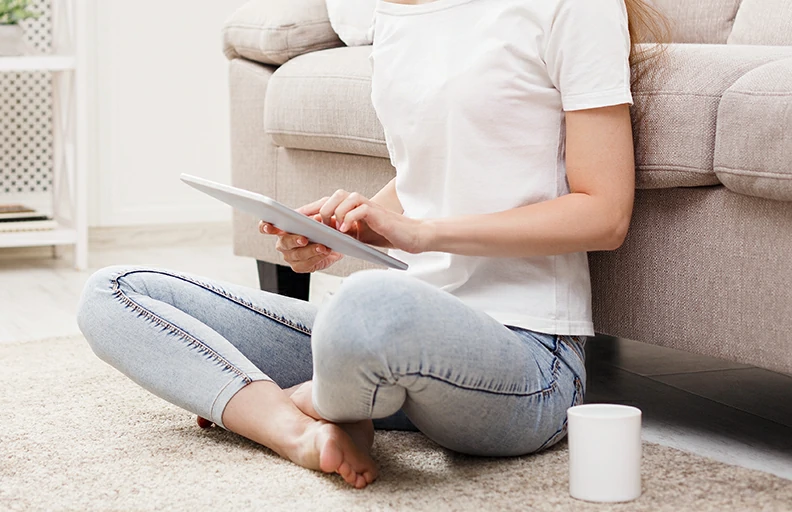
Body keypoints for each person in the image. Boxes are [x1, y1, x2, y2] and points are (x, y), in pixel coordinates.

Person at [78, 0, 668, 490]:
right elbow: (428, 178)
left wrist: (426, 235)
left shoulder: (573, 6)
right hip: (385, 337)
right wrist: (350, 228)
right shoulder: (399, 16)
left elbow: (604, 212)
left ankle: (308, 398)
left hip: (526, 359)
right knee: (115, 294)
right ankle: (300, 428)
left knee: (366, 304)